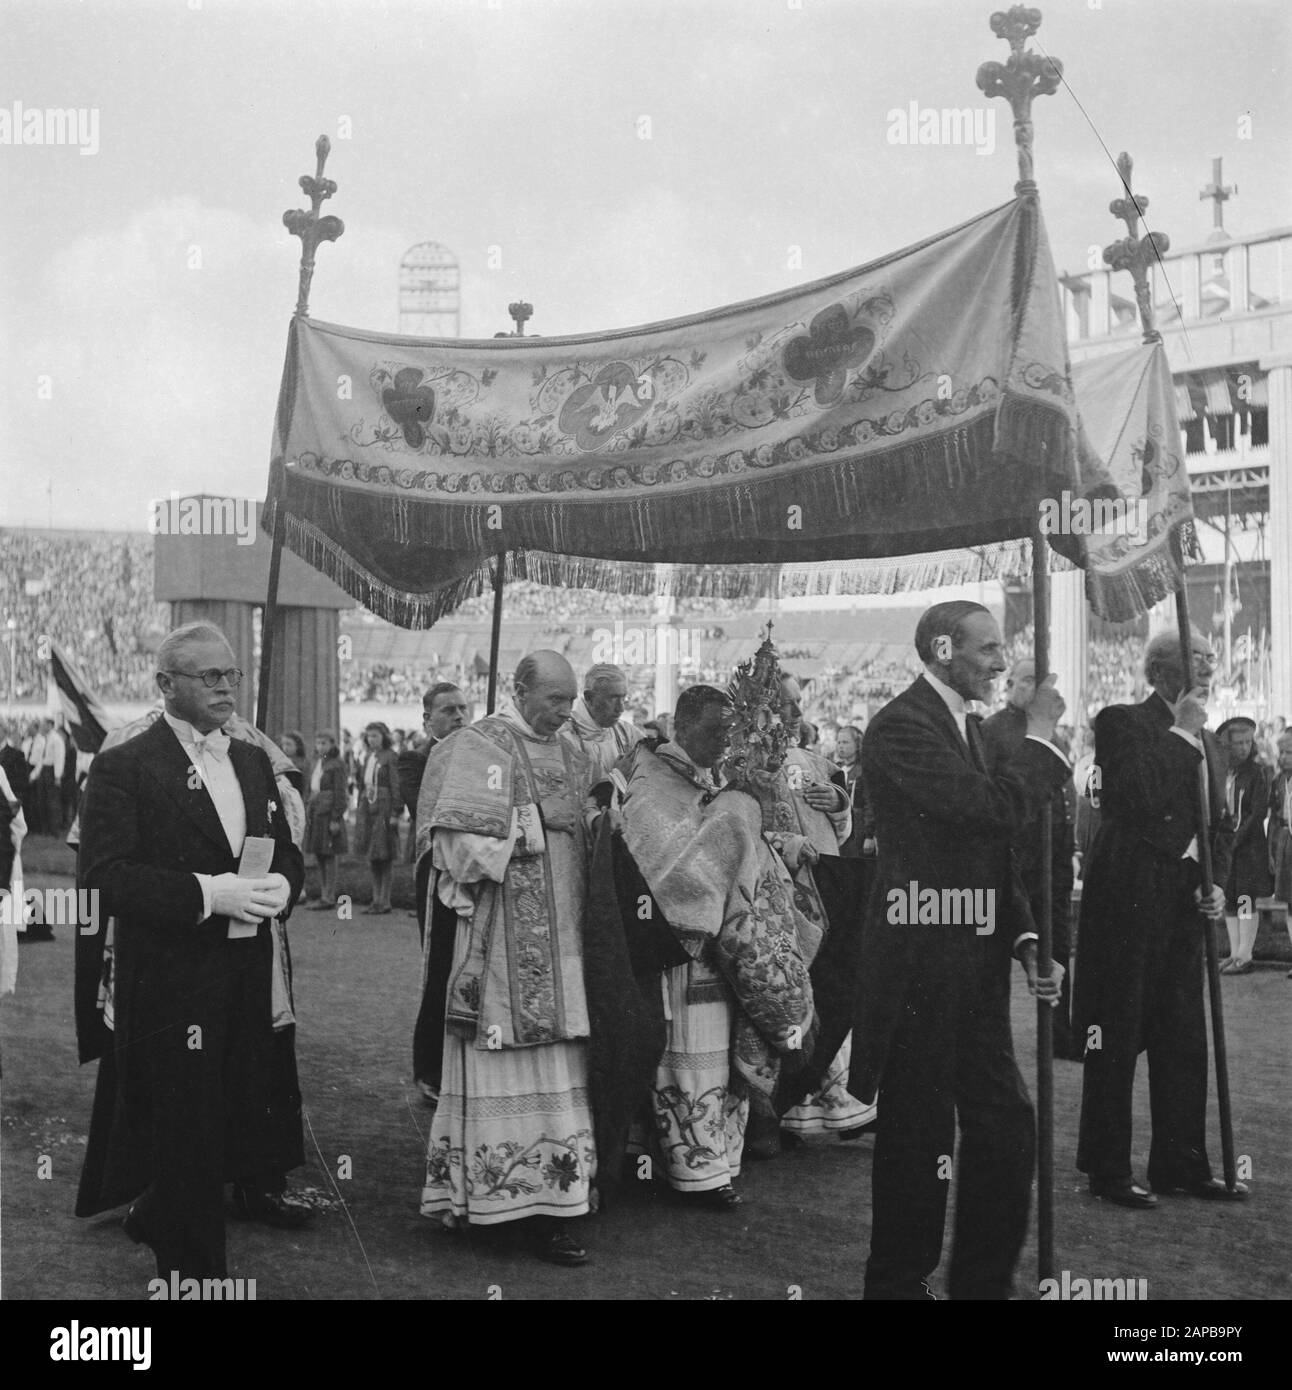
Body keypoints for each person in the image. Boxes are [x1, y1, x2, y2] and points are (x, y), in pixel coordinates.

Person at [74, 621, 305, 1279]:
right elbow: (104, 880)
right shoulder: (124, 765)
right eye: (210, 676)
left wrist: (282, 884)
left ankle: (156, 1213)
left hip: (246, 974)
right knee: (187, 1129)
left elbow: (285, 849)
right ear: (165, 684)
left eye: (231, 673)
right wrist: (210, 893)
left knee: (231, 1114)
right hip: (169, 984)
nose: (226, 686)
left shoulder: (254, 760)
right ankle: (197, 1278)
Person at [852, 600, 1069, 1299]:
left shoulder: (959, 726)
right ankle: (897, 1283)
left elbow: (987, 851)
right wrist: (1040, 736)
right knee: (920, 1134)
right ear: (943, 650)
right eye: (988, 649)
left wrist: (1026, 936)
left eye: (1002, 649)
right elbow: (990, 812)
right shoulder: (900, 727)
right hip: (919, 964)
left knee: (1004, 1126)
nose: (1003, 662)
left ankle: (978, 1285)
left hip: (970, 960)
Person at [417, 651, 596, 1265]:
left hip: (562, 944)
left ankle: (554, 1203)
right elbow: (455, 845)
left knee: (558, 1075)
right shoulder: (479, 747)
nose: (567, 712)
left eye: (572, 700)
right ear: (519, 690)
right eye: (556, 700)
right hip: (500, 946)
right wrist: (535, 824)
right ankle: (491, 1202)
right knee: (503, 1070)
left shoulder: (572, 750)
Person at [1074, 630, 1246, 1209]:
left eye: (1211, 659)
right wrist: (1180, 732)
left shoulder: (1217, 744)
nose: (1210, 666)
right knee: (1115, 1035)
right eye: (1198, 657)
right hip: (1128, 896)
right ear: (1162, 669)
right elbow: (1134, 796)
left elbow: (1218, 826)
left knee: (1183, 1039)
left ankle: (1180, 1163)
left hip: (1183, 903)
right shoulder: (1121, 721)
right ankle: (1107, 1169)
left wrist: (1216, 882)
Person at [775, 674, 874, 1144]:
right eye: (784, 704)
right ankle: (782, 1109)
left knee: (825, 994)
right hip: (773, 898)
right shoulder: (736, 762)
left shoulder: (813, 760)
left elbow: (843, 826)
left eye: (798, 703)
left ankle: (826, 1103)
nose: (796, 714)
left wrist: (839, 803)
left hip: (822, 891)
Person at [981, 658, 1080, 1059]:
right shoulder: (991, 731)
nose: (1034, 689)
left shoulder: (1054, 733)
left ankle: (1059, 1030)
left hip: (1053, 856)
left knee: (1056, 941)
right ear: (1011, 685)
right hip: (1017, 857)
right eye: (1027, 681)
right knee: (1011, 943)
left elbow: (1063, 795)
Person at [404, 682, 470, 1099]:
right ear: (428, 719)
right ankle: (430, 1068)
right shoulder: (414, 760)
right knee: (440, 970)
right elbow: (427, 808)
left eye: (463, 708)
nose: (460, 716)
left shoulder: (483, 755)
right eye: (448, 710)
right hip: (436, 874)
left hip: (473, 872)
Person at [1215, 715, 1272, 975]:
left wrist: (1237, 839)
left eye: (1248, 742)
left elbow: (1257, 812)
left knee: (1246, 898)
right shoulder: (1224, 773)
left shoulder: (1257, 773)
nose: (1243, 748)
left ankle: (1245, 954)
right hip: (1226, 846)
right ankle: (1233, 952)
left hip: (1247, 847)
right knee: (1229, 899)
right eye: (1238, 743)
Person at [563, 663, 644, 784]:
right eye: (612, 698)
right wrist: (617, 776)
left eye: (623, 698)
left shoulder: (626, 733)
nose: (621, 708)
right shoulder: (564, 736)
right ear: (589, 697)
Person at [354, 721, 399, 915]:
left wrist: (396, 810)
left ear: (384, 737)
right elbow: (363, 783)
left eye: (376, 736)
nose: (372, 740)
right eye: (369, 736)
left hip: (384, 806)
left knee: (384, 853)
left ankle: (385, 900)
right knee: (373, 854)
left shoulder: (390, 757)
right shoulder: (368, 757)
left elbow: (396, 783)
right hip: (367, 806)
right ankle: (375, 898)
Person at [305, 731, 348, 909]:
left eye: (324, 743)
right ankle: (324, 892)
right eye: (318, 743)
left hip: (328, 812)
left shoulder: (336, 765)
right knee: (319, 854)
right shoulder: (317, 762)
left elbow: (340, 792)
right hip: (316, 810)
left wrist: (336, 817)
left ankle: (329, 895)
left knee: (329, 854)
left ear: (332, 744)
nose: (320, 746)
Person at [1267, 730, 1292, 978]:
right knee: (1289, 900)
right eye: (1281, 752)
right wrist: (1272, 852)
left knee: (1244, 900)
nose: (1283, 758)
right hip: (1285, 841)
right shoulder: (1277, 782)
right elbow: (1274, 817)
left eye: (1289, 753)